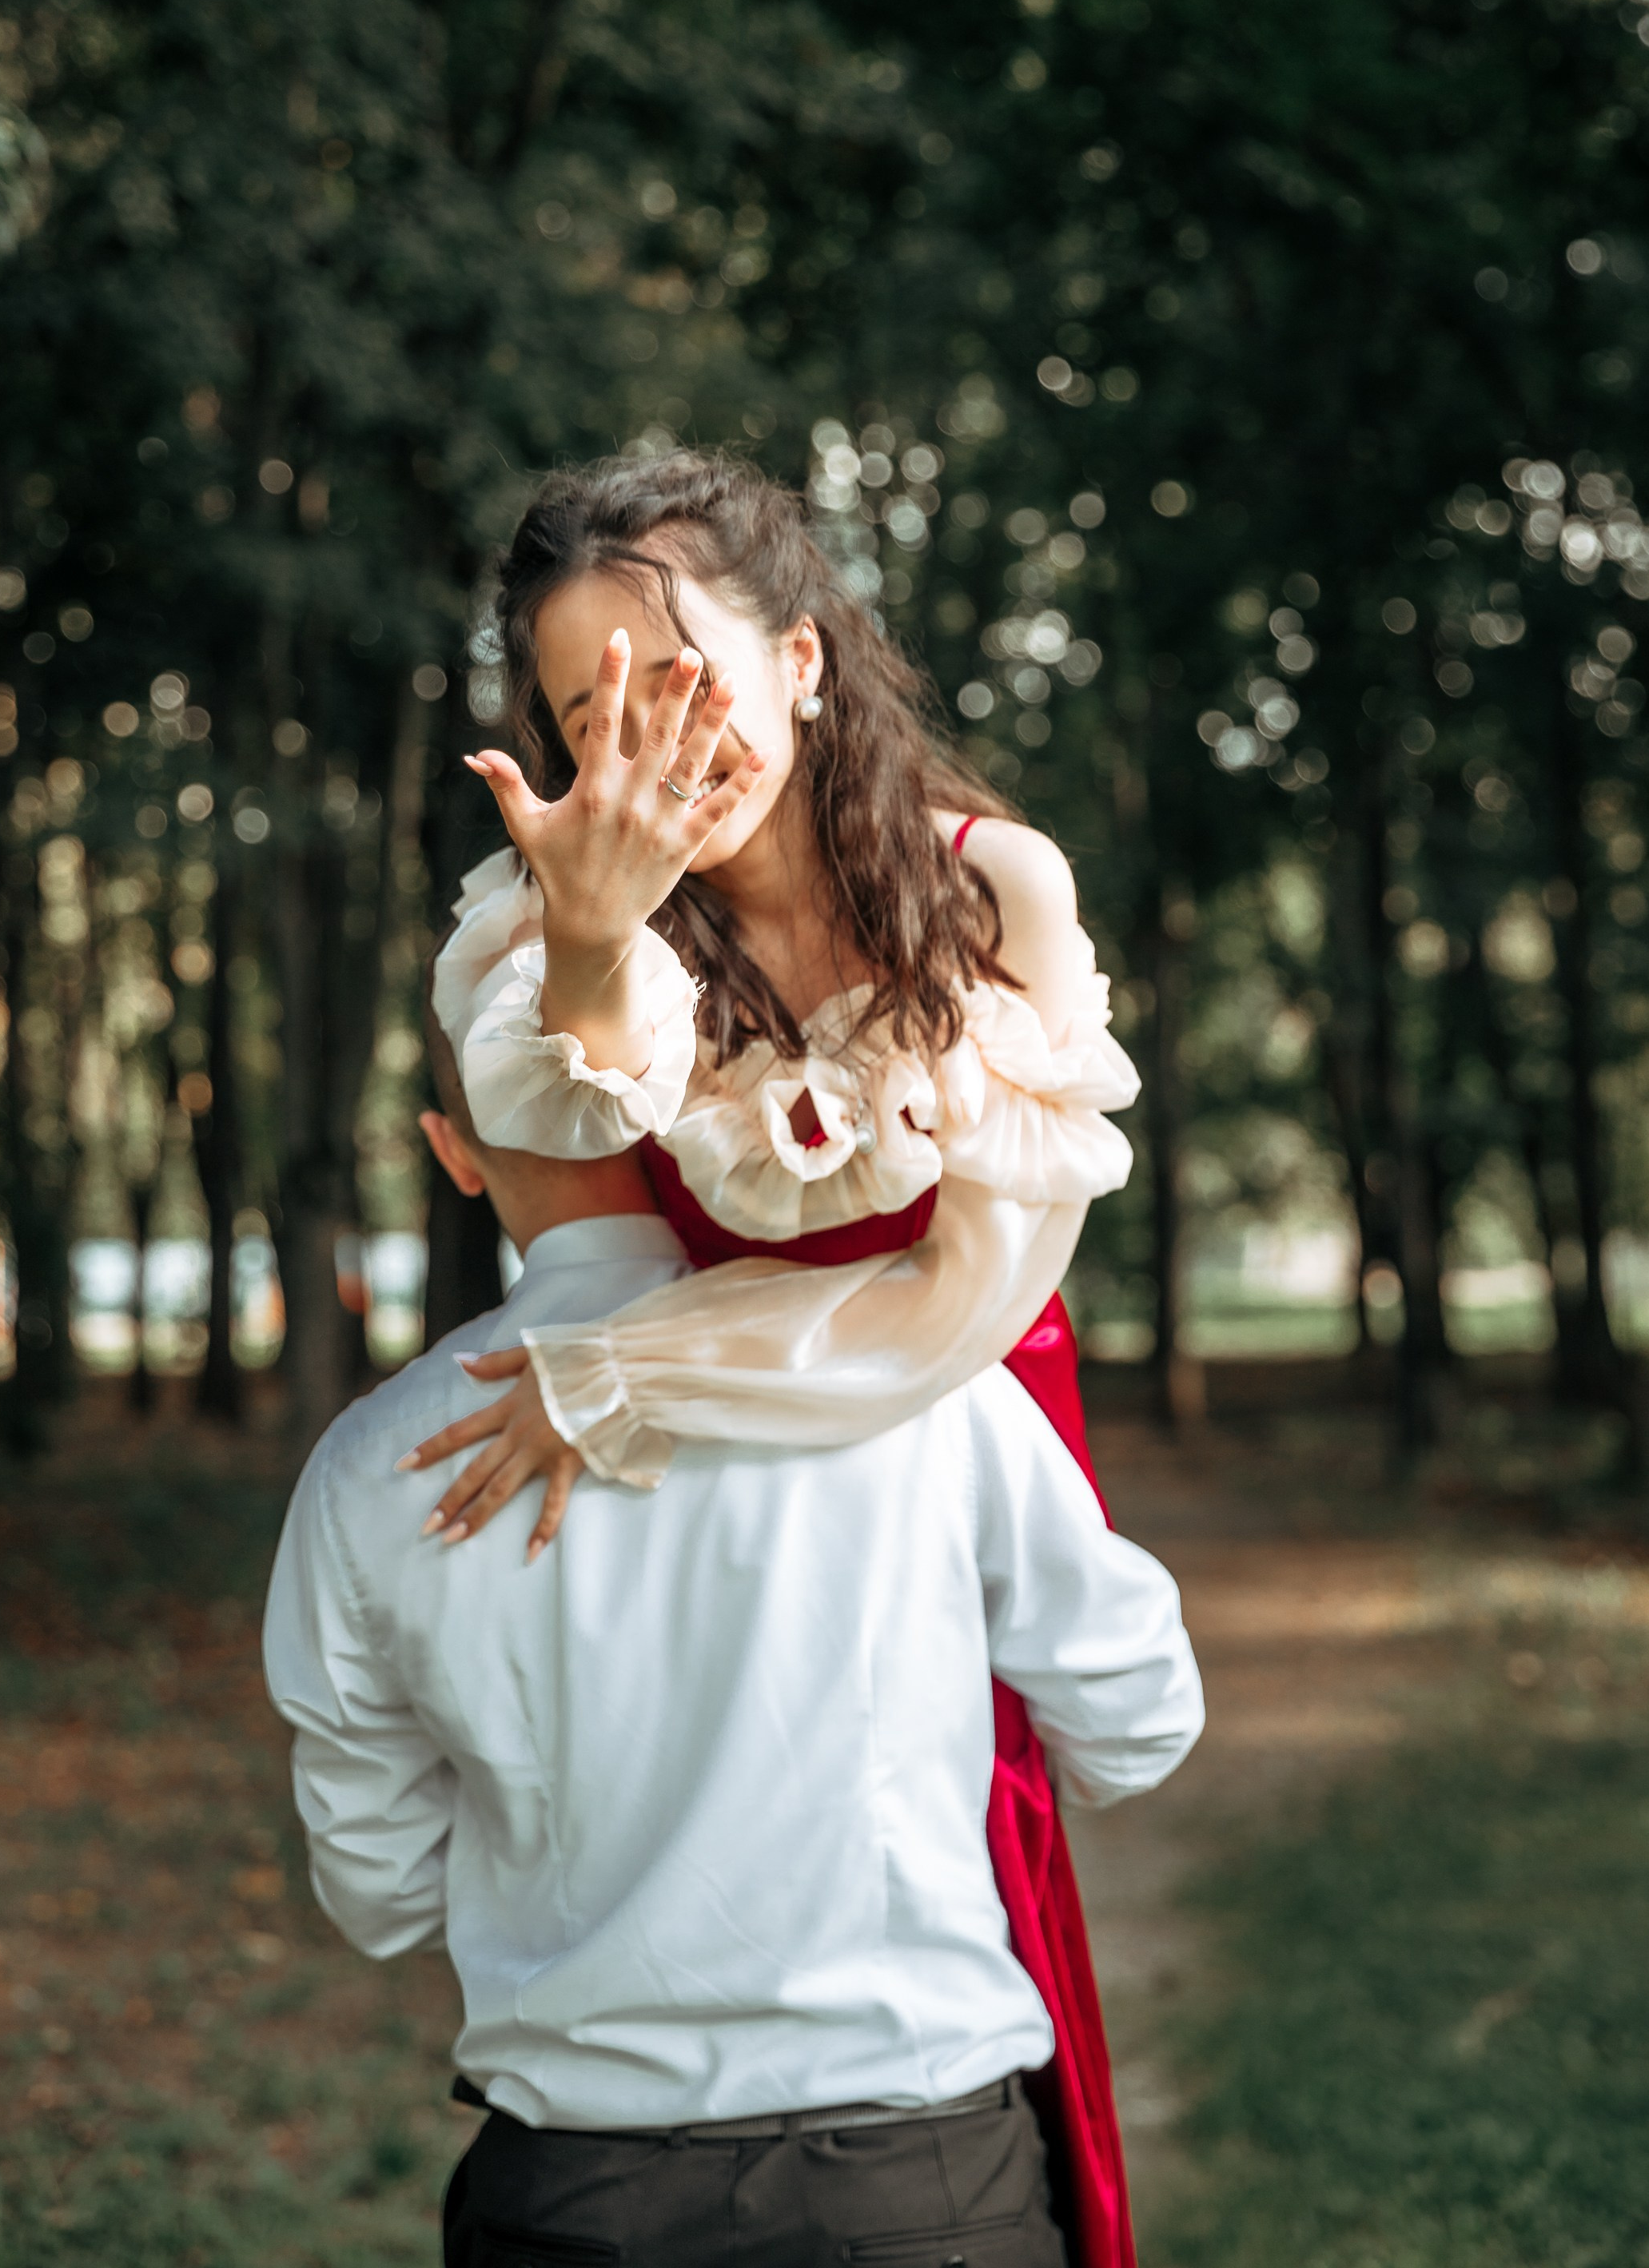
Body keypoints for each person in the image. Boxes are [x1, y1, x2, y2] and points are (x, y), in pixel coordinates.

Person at [404, 448, 1149, 2262]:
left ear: (801, 663)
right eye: (590, 716)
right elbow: (573, 1163)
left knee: (974, 1899)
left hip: (961, 1427)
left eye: (681, 687)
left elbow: (965, 1298)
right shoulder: (547, 924)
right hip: (719, 1502)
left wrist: (638, 1374)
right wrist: (590, 933)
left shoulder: (995, 895)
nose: (650, 753)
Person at [263, 996, 1205, 2266]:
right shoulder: (906, 1374)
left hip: (575, 2198)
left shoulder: (369, 1466)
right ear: (685, 1092)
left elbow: (376, 1890)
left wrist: (578, 1887)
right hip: (916, 2187)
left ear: (455, 1147)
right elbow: (1137, 1719)